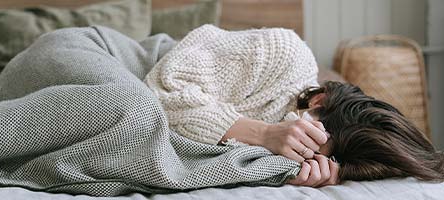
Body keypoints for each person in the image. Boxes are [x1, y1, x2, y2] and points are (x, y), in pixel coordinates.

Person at [144, 25, 444, 187]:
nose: (299, 152)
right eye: (307, 141)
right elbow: (159, 96)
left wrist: (306, 173)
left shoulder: (309, 159)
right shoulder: (283, 53)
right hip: (132, 61)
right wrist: (263, 134)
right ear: (318, 100)